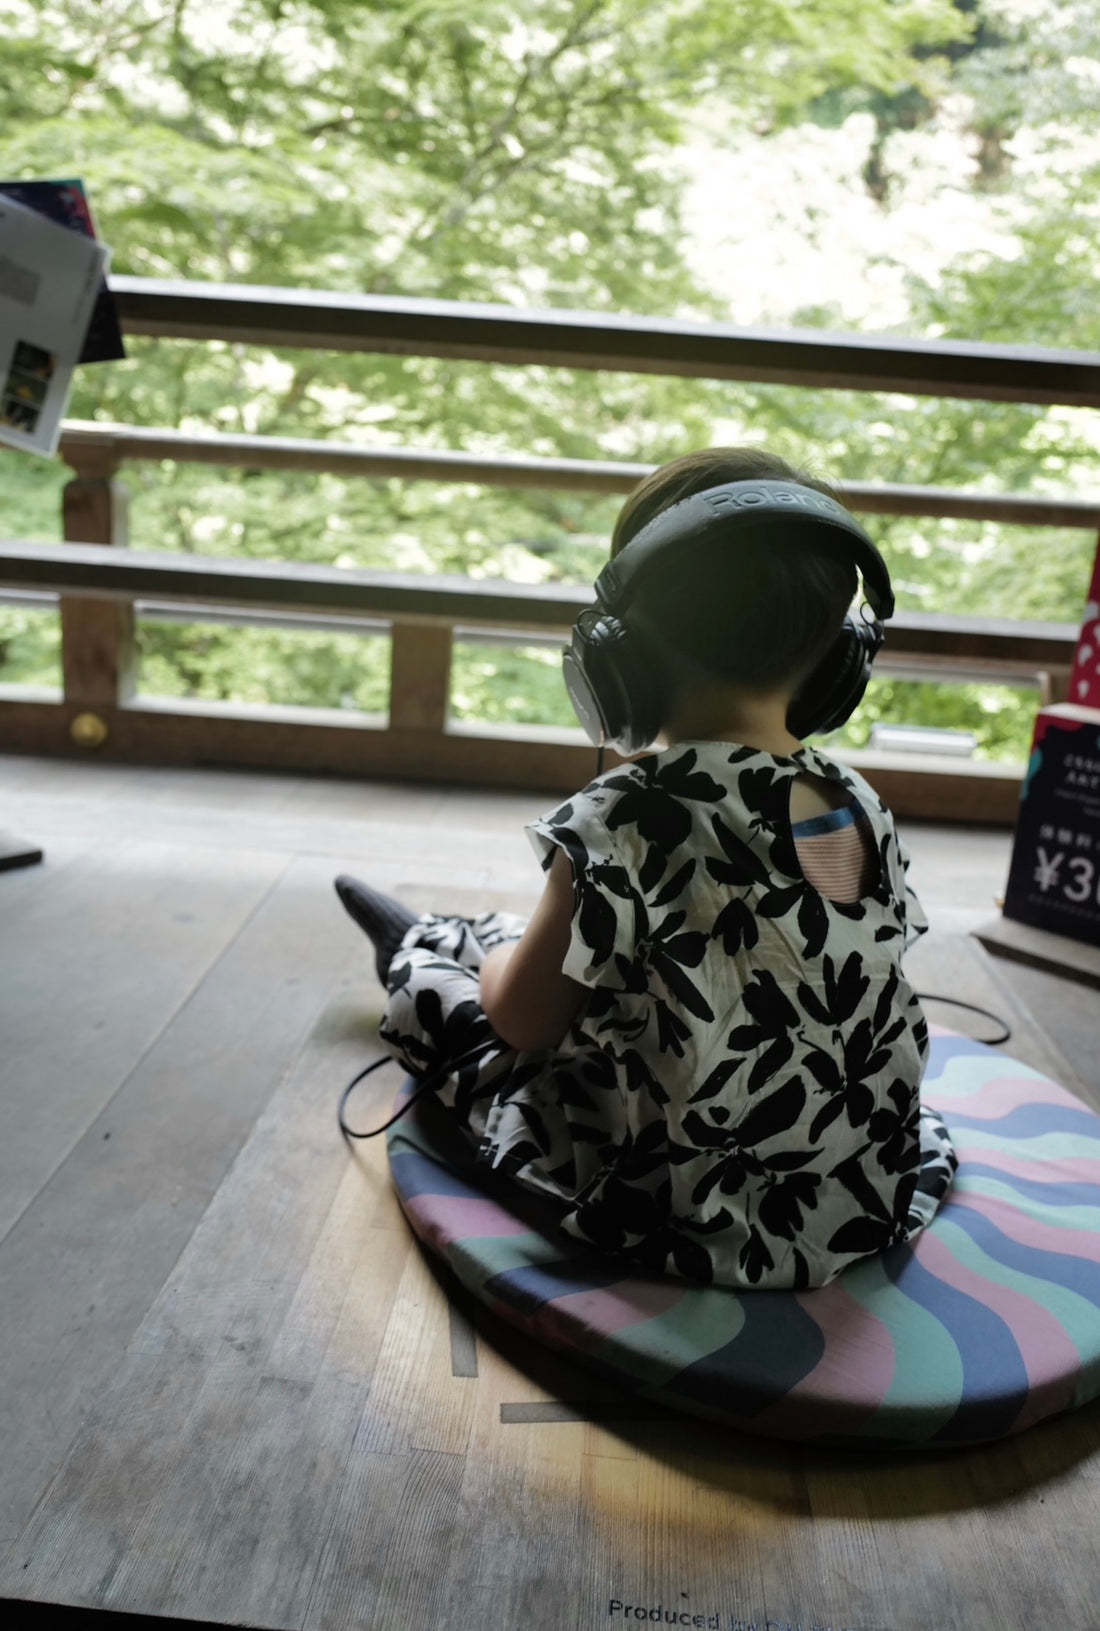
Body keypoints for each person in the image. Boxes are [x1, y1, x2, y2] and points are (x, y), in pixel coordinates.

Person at [335, 447, 958, 1291]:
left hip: (682, 1199)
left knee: (459, 990)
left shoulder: (620, 816)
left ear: (616, 657)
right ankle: (477, 935)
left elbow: (523, 1023)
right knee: (577, 939)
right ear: (837, 663)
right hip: (855, 1179)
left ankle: (416, 946)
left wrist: (492, 977)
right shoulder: (855, 802)